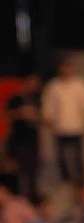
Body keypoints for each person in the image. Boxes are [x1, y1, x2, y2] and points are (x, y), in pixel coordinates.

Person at [41, 58, 84, 189]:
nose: (66, 70)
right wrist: (47, 118)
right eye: (64, 67)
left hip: (77, 127)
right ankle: (65, 180)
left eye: (69, 67)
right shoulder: (53, 86)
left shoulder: (81, 85)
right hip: (60, 128)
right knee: (61, 155)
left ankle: (81, 181)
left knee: (78, 155)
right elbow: (48, 106)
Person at [4, 74, 42, 203]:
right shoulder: (15, 99)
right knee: (15, 173)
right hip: (18, 141)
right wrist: (21, 113)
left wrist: (36, 115)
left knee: (32, 174)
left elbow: (45, 117)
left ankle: (31, 201)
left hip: (32, 141)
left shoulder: (36, 99)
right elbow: (8, 114)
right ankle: (15, 200)